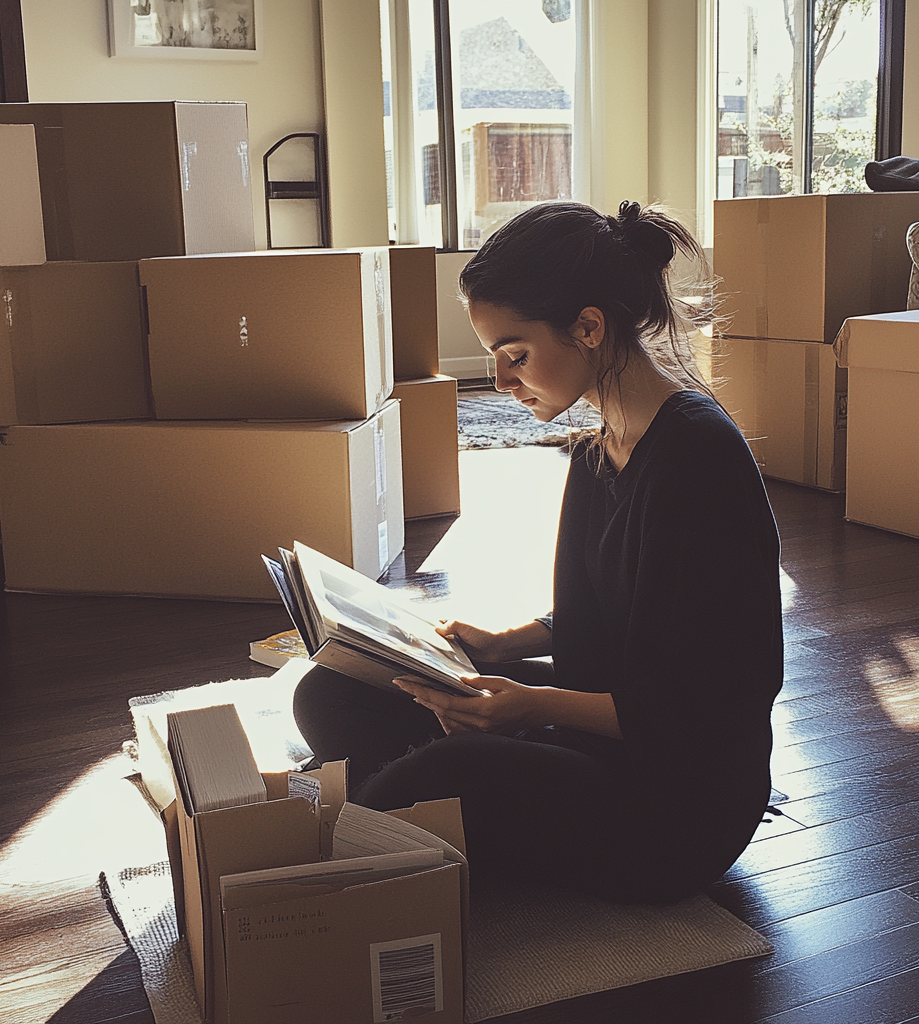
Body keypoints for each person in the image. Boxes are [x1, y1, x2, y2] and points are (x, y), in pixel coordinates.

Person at [293, 200, 783, 903]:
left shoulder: (698, 457)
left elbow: (708, 707)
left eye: (514, 355)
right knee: (335, 690)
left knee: (429, 779)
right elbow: (609, 611)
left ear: (588, 327)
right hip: (600, 733)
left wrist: (528, 709)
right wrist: (503, 644)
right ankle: (409, 814)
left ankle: (398, 814)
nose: (500, 382)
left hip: (676, 802)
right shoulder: (597, 452)